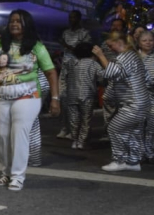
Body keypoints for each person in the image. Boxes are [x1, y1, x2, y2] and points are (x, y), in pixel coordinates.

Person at [0, 9, 60, 191]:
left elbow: (51, 72)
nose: (14, 24)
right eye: (12, 21)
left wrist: (55, 98)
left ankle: (17, 176)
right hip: (0, 96)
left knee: (19, 134)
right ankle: (5, 173)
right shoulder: (0, 43)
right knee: (3, 136)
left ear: (26, 25)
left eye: (19, 21)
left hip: (27, 97)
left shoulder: (36, 46)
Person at [92, 33, 150, 171]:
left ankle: (120, 160)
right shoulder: (133, 55)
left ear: (119, 42)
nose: (109, 49)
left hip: (134, 103)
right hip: (141, 101)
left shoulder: (125, 56)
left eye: (110, 45)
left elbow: (111, 73)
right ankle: (133, 162)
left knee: (114, 128)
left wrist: (100, 55)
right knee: (133, 131)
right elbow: (147, 78)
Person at [56, 10, 92, 139]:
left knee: (75, 101)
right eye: (70, 17)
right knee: (63, 99)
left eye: (74, 17)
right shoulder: (66, 32)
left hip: (78, 69)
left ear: (79, 18)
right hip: (65, 68)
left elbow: (84, 50)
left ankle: (74, 130)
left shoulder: (84, 33)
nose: (71, 20)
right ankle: (65, 127)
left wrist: (65, 45)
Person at [61, 41, 102, 150]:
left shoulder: (71, 62)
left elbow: (64, 76)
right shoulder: (93, 64)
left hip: (71, 94)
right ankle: (81, 141)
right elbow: (102, 78)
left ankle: (74, 140)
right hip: (87, 95)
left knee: (73, 119)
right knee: (86, 120)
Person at [138, 31, 154, 163]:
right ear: (139, 42)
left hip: (152, 96)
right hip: (137, 97)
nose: (148, 43)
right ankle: (140, 151)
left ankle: (149, 151)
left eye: (150, 40)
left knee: (151, 125)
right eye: (145, 40)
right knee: (138, 125)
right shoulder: (134, 57)